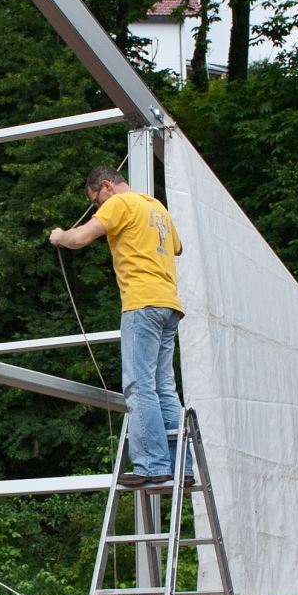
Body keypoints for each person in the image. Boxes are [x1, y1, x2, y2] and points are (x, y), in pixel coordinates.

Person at [48, 166, 184, 487]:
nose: (98, 208)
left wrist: (60, 236)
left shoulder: (120, 204)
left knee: (139, 386)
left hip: (142, 302)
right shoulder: (155, 206)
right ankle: (183, 466)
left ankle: (151, 464)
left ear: (107, 186)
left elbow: (80, 237)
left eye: (96, 201)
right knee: (164, 387)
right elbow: (177, 247)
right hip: (169, 303)